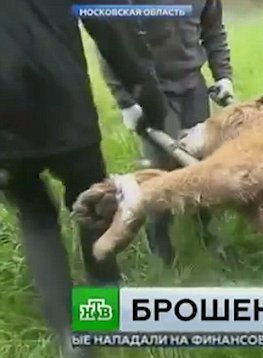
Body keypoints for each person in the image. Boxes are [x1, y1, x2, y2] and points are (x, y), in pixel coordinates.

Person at [0, 0, 169, 356]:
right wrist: (144, 87)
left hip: (6, 129)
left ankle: (70, 336)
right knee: (93, 205)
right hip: (67, 108)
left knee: (36, 220)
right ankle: (102, 312)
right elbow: (107, 22)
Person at [97, 0, 235, 265]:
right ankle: (161, 249)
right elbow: (110, 44)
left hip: (193, 88)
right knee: (160, 174)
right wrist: (126, 101)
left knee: (202, 169)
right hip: (151, 91)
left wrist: (223, 75)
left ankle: (208, 236)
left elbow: (213, 30)